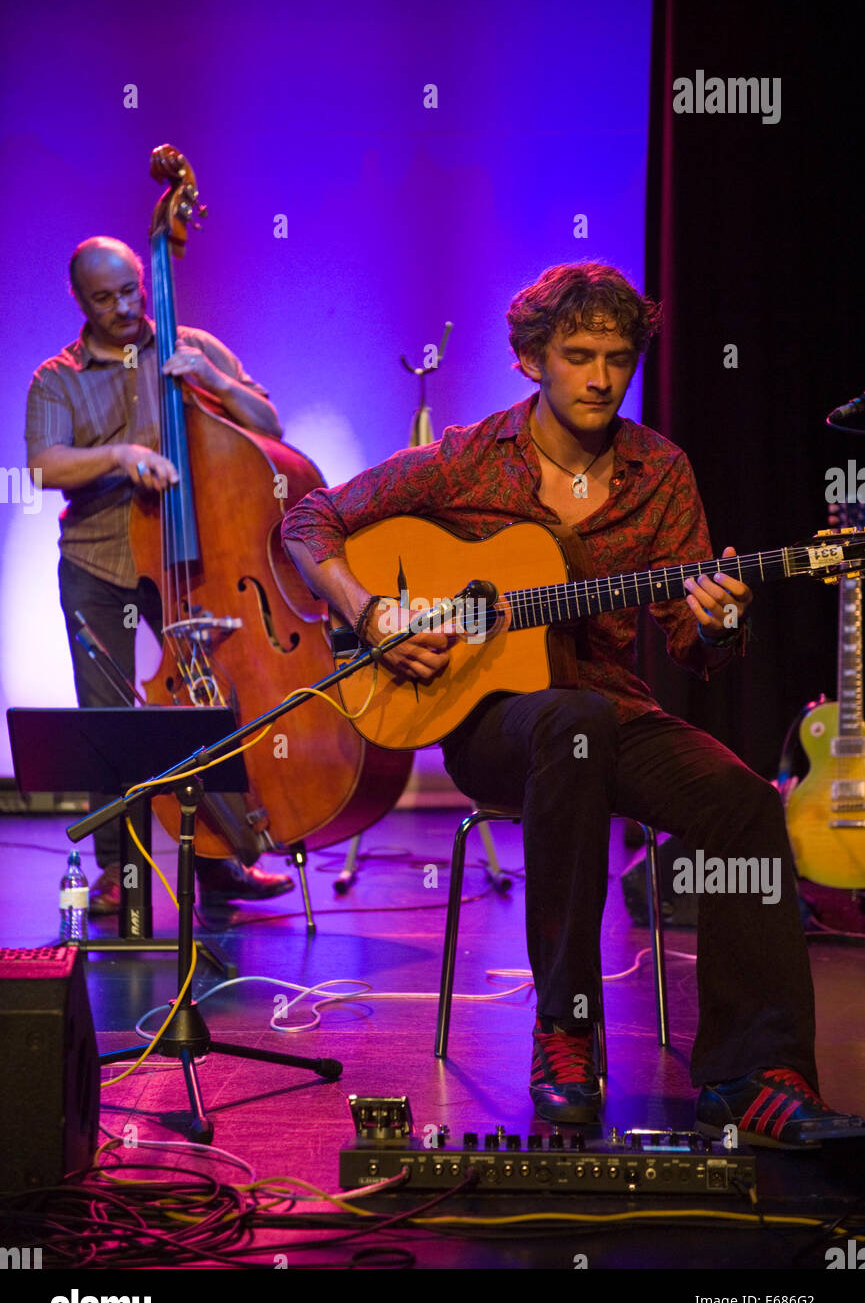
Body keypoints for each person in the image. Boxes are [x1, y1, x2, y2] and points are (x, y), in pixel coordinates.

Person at [281, 261, 865, 1148]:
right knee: (568, 722)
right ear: (530, 360)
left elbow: (686, 642)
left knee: (744, 800)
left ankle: (751, 1073)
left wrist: (716, 622)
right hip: (486, 725)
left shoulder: (659, 471)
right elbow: (308, 520)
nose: (600, 378)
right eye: (579, 355)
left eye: (618, 358)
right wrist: (371, 609)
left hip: (608, 710)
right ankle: (565, 1028)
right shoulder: (469, 456)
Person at [25, 237, 294, 915]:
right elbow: (46, 467)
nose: (122, 307)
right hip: (99, 561)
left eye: (130, 291)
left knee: (210, 704)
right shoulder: (55, 378)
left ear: (144, 282)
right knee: (109, 718)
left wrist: (217, 383)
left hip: (186, 556)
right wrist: (121, 454)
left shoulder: (193, 345)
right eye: (104, 298)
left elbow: (271, 428)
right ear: (80, 301)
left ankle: (223, 858)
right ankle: (120, 872)